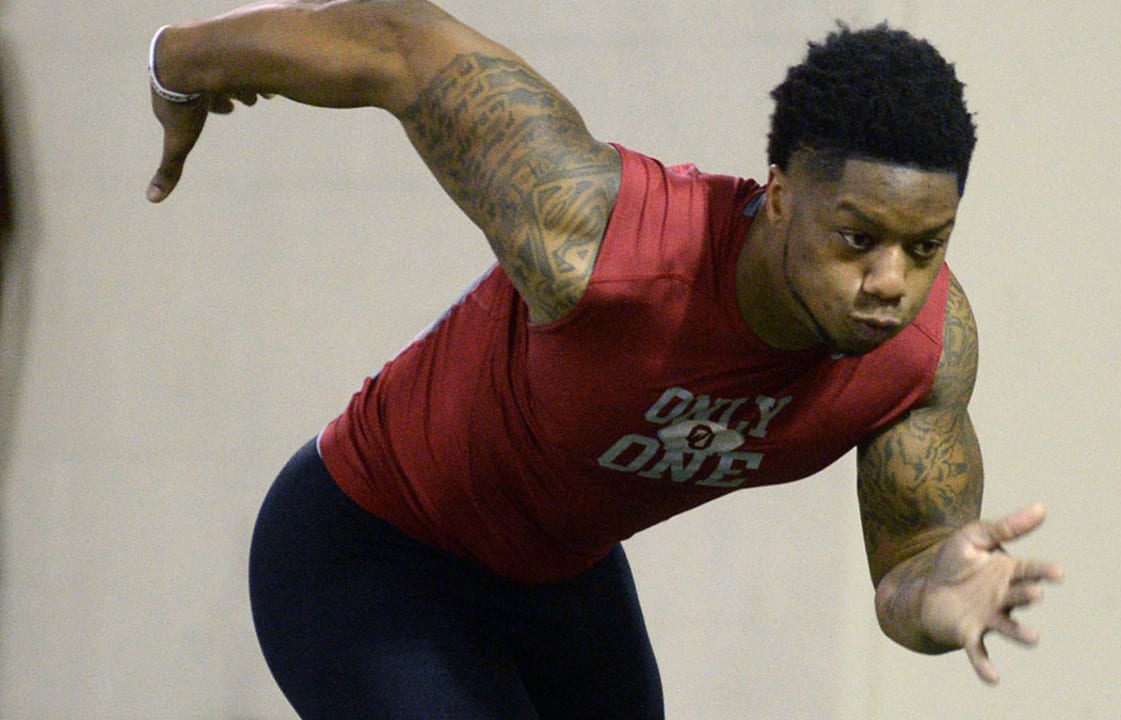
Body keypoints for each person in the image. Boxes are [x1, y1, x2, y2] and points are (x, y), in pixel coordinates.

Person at [147, 2, 1064, 718]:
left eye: (927, 245)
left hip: (558, 575)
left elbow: (908, 563)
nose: (890, 283)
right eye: (858, 238)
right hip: (372, 547)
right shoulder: (604, 240)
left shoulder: (925, 352)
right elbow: (400, 41)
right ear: (781, 198)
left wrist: (934, 596)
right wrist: (183, 63)